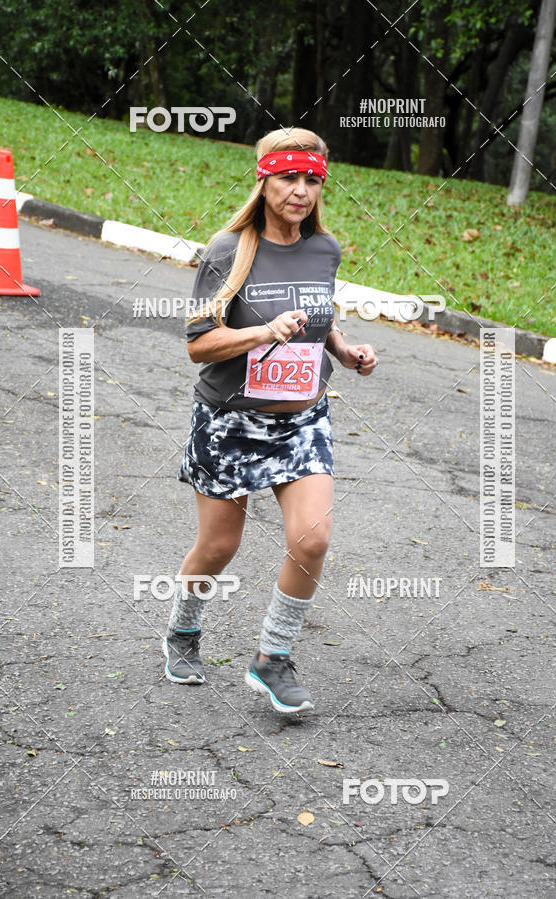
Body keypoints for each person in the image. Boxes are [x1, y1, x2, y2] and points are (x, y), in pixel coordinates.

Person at [163, 127, 378, 714]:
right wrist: (262, 331)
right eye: (289, 178)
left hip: (303, 419)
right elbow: (198, 344)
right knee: (218, 546)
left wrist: (344, 350)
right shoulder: (227, 250)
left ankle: (272, 658)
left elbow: (318, 318)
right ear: (265, 178)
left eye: (312, 180)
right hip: (230, 420)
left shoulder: (324, 249)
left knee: (314, 538)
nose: (301, 191)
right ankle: (184, 629)